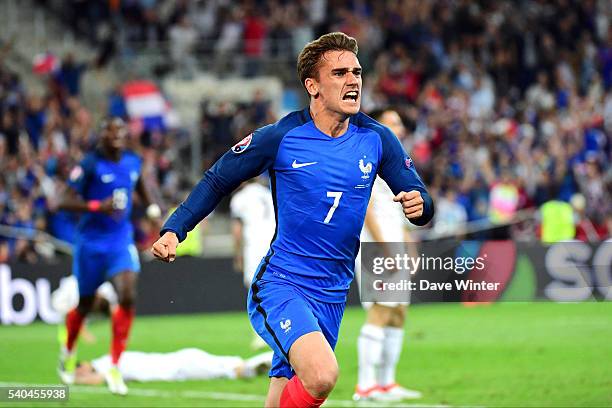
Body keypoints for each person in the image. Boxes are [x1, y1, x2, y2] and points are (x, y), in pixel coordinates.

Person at [152, 32, 434, 408]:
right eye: (339, 73)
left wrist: (421, 205)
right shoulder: (282, 137)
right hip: (282, 283)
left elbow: (419, 194)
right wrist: (175, 228)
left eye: (357, 72)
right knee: (322, 376)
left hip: (333, 292)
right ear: (312, 86)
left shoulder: (377, 138)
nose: (353, 80)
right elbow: (218, 177)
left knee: (284, 397)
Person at [57, 117, 162, 395]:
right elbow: (61, 201)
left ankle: (115, 365)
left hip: (120, 241)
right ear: (102, 136)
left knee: (127, 294)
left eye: (120, 132)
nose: (116, 136)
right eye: (110, 132)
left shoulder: (132, 161)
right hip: (90, 244)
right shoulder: (89, 164)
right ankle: (67, 350)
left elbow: (141, 188)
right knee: (85, 303)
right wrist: (96, 206)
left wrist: (152, 210)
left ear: (126, 136)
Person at [353, 109, 422, 402]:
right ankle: (365, 386)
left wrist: (409, 246)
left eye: (400, 122)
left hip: (394, 245)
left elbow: (398, 213)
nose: (400, 127)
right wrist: (385, 248)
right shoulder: (367, 157)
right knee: (381, 311)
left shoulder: (397, 164)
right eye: (393, 122)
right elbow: (366, 207)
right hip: (376, 248)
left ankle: (386, 383)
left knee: (397, 314)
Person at [230, 176, 275, 349]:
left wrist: (237, 254)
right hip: (274, 243)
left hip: (254, 244)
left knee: (255, 289)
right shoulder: (268, 193)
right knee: (274, 287)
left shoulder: (239, 198)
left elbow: (237, 231)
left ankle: (261, 333)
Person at [73, 348, 273, 384]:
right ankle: (271, 359)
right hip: (181, 361)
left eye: (78, 369)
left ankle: (273, 358)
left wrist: (73, 381)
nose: (79, 372)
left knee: (235, 370)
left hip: (179, 366)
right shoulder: (108, 360)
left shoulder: (106, 363)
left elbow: (97, 380)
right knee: (235, 366)